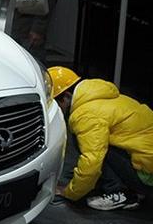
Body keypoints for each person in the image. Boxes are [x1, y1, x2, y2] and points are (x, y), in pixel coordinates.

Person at [49, 66, 153, 210]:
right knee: (99, 143)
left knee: (95, 148)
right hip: (147, 163)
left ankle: (122, 193)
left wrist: (70, 192)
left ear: (66, 97)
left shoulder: (86, 115)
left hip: (147, 177)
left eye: (55, 103)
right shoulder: (100, 96)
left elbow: (92, 160)